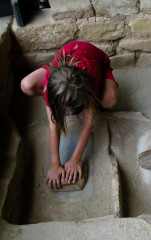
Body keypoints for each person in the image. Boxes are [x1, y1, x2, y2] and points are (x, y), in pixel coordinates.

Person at [21, 41, 118, 189]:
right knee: (26, 85)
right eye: (65, 109)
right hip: (63, 71)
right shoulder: (51, 82)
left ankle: (90, 99)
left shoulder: (90, 80)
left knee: (109, 101)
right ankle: (63, 101)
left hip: (96, 63)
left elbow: (87, 122)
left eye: (69, 109)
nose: (67, 114)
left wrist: (75, 158)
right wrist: (55, 164)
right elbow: (53, 125)